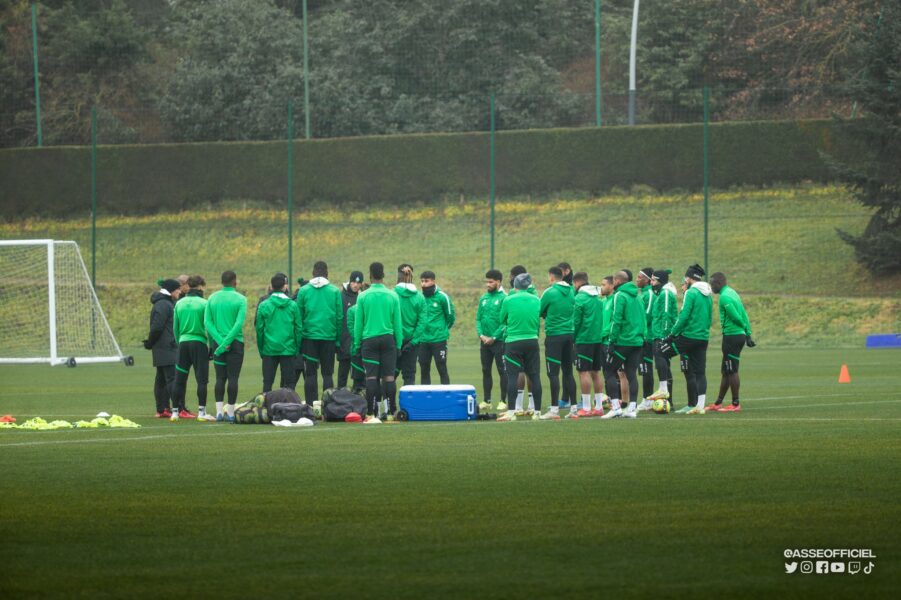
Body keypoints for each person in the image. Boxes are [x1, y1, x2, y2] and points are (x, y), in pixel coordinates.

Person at [353, 262, 403, 422]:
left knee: (371, 378)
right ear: (383, 275)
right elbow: (397, 324)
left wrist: (356, 344)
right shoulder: (392, 295)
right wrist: (399, 344)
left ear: (370, 275)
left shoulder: (363, 296)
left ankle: (370, 413)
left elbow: (358, 323)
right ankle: (391, 411)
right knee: (389, 377)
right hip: (388, 340)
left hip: (369, 341)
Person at [661, 264, 713, 415]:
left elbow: (684, 315)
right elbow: (709, 317)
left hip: (689, 336)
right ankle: (699, 406)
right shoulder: (708, 294)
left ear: (689, 279)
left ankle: (663, 390)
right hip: (703, 337)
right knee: (700, 372)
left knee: (661, 352)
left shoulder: (691, 293)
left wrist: (672, 334)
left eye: (685, 278)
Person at [497, 273, 543, 422]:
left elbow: (502, 319)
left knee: (512, 376)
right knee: (534, 376)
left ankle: (511, 413)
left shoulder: (508, 300)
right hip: (532, 341)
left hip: (513, 342)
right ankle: (537, 412)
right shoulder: (536, 299)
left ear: (514, 285)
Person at [296, 261, 343, 404]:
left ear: (313, 273)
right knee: (327, 374)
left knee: (310, 374)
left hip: (309, 338)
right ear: (327, 273)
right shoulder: (334, 291)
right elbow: (339, 317)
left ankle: (311, 406)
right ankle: (328, 405)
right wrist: (337, 339)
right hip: (328, 337)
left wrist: (300, 340)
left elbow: (299, 317)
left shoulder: (303, 291)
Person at [708, 272, 754, 412]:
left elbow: (736, 316)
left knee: (732, 370)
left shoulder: (724, 297)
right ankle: (718, 402)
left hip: (732, 336)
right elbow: (744, 313)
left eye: (712, 284)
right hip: (736, 335)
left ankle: (735, 404)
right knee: (726, 370)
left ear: (719, 283)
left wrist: (745, 330)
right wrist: (748, 334)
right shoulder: (732, 292)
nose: (711, 286)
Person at [602, 270, 646, 419]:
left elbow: (617, 320)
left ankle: (616, 408)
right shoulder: (638, 297)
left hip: (623, 341)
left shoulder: (619, 296)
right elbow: (643, 319)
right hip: (637, 341)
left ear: (617, 281)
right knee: (631, 373)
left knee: (608, 371)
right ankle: (632, 409)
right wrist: (642, 336)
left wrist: (612, 341)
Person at [205, 270, 247, 421]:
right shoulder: (241, 299)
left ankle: (218, 412)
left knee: (220, 378)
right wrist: (227, 342)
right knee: (233, 378)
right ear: (235, 282)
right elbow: (238, 324)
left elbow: (208, 323)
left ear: (221, 282)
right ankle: (230, 413)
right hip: (235, 343)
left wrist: (220, 343)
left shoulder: (212, 298)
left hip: (218, 344)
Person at [539, 266, 577, 420]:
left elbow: (540, 311)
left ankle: (554, 410)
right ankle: (574, 409)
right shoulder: (572, 291)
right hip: (569, 335)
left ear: (551, 277)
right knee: (568, 372)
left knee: (553, 373)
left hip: (555, 336)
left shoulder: (550, 292)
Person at [255, 273, 303, 393]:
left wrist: (262, 349)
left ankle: (266, 409)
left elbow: (259, 330)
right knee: (289, 384)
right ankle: (288, 409)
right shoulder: (293, 305)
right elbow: (298, 329)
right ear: (284, 287)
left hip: (269, 349)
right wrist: (296, 348)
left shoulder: (263, 305)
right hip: (288, 349)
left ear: (271, 286)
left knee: (267, 383)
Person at [171, 275, 207, 421]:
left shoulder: (179, 303)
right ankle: (202, 413)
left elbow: (175, 328)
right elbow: (208, 326)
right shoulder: (205, 303)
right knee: (202, 380)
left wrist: (179, 342)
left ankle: (174, 413)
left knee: (179, 380)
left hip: (183, 343)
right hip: (199, 343)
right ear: (200, 286)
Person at [145, 278, 181, 418]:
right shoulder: (163, 305)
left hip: (163, 347)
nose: (179, 291)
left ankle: (163, 409)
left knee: (161, 379)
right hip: (167, 347)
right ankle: (176, 409)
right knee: (171, 379)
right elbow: (157, 327)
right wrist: (150, 342)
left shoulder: (165, 303)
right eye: (177, 289)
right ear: (171, 290)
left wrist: (151, 343)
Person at [572, 272, 606, 418]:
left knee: (583, 372)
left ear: (576, 283)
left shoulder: (579, 298)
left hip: (584, 340)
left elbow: (576, 321)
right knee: (596, 372)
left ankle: (585, 407)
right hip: (597, 340)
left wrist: (573, 338)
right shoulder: (598, 298)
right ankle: (598, 406)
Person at [644, 269, 678, 410]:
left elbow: (666, 314)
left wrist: (664, 335)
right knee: (663, 365)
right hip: (657, 333)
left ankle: (663, 388)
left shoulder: (665, 293)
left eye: (653, 280)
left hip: (661, 334)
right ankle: (668, 400)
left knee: (660, 359)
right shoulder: (661, 293)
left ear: (660, 281)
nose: (651, 283)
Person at [476, 269, 506, 411]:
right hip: (484, 341)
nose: (488, 284)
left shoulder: (504, 298)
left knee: (502, 370)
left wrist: (494, 337)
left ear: (499, 282)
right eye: (486, 281)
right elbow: (478, 319)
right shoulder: (483, 298)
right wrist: (481, 335)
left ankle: (503, 400)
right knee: (486, 370)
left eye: (491, 281)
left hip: (499, 342)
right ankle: (487, 400)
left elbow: (505, 322)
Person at [418, 270, 455, 385]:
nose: (423, 284)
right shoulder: (419, 297)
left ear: (433, 281)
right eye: (422, 281)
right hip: (423, 340)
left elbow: (450, 317)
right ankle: (426, 398)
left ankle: (446, 396)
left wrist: (442, 329)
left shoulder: (442, 297)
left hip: (439, 339)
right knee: (424, 370)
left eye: (426, 281)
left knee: (441, 367)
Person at [394, 265, 425, 390]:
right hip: (412, 343)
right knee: (409, 376)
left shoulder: (392, 295)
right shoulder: (419, 297)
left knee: (389, 376)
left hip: (394, 341)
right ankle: (407, 408)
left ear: (398, 277)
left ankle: (387, 407)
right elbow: (422, 322)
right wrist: (413, 342)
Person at [337, 271, 364, 389]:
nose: (355, 285)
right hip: (344, 342)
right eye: (353, 282)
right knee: (342, 375)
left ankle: (357, 399)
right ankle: (339, 398)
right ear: (350, 282)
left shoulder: (363, 298)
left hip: (357, 344)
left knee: (357, 375)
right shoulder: (341, 297)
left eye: (358, 283)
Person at [599, 275, 620, 415]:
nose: (601, 287)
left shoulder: (615, 300)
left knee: (611, 374)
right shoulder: (604, 301)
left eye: (604, 284)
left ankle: (617, 405)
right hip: (603, 342)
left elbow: (614, 322)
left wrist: (601, 334)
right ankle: (616, 404)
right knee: (608, 374)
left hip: (610, 342)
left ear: (612, 286)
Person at [636, 267, 656, 406]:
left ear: (647, 280)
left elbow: (646, 316)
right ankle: (646, 398)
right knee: (644, 367)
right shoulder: (643, 293)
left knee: (646, 367)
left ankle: (647, 399)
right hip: (643, 335)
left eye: (640, 277)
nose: (637, 279)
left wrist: (640, 332)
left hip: (647, 337)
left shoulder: (649, 294)